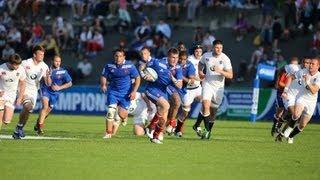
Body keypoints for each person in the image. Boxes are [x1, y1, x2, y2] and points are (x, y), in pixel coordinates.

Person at [195, 40, 233, 139]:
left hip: (218, 88)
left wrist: (220, 71)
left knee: (213, 112)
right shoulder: (206, 56)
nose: (219, 49)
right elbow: (200, 64)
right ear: (213, 47)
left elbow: (230, 75)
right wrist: (200, 72)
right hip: (207, 84)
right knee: (205, 104)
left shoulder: (225, 59)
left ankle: (204, 129)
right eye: (217, 47)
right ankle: (207, 131)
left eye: (220, 48)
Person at [145, 48, 182, 144]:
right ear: (168, 57)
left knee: (164, 119)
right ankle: (151, 127)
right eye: (173, 57)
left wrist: (172, 78)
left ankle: (155, 137)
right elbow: (143, 66)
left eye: (177, 58)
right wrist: (144, 75)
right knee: (166, 106)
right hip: (152, 89)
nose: (175, 60)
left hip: (163, 92)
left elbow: (180, 85)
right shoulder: (158, 63)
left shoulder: (178, 68)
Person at [100, 48, 140, 139]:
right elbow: (103, 76)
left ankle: (123, 118)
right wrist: (103, 85)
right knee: (111, 111)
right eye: (116, 56)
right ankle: (108, 132)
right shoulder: (109, 65)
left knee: (122, 114)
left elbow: (137, 78)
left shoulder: (130, 66)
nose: (118, 58)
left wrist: (134, 91)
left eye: (120, 56)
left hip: (126, 94)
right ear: (114, 56)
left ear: (124, 57)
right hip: (113, 92)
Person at [12, 45, 49, 139]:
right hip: (23, 88)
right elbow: (15, 72)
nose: (42, 56)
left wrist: (48, 76)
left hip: (34, 91)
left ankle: (18, 129)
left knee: (29, 110)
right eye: (40, 54)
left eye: (43, 54)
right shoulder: (25, 63)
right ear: (34, 55)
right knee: (28, 106)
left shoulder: (44, 66)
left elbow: (48, 83)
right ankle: (19, 128)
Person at [281, 57, 320, 144]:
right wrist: (285, 90)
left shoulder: (319, 77)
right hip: (302, 97)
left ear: (318, 66)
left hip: (311, 101)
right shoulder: (303, 71)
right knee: (296, 114)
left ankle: (291, 136)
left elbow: (314, 91)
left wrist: (307, 81)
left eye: (313, 64)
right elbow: (290, 77)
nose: (310, 65)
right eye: (310, 63)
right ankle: (289, 129)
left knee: (302, 125)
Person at [34, 55, 72, 135]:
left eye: (59, 61)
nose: (58, 63)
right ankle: (40, 128)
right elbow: (48, 83)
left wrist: (59, 87)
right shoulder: (46, 69)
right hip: (45, 90)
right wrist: (48, 75)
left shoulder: (63, 72)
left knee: (48, 110)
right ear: (52, 61)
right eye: (56, 61)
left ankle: (38, 122)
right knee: (45, 106)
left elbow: (70, 83)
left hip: (55, 93)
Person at [173, 50, 200, 137]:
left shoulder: (190, 65)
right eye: (180, 59)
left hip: (195, 89)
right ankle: (176, 129)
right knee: (185, 112)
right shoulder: (173, 65)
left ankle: (198, 125)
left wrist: (181, 76)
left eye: (184, 59)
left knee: (207, 102)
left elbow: (191, 81)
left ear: (187, 59)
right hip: (185, 91)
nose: (182, 61)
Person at [271, 57, 299, 137]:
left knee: (289, 112)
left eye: (295, 65)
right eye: (292, 64)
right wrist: (288, 86)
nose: (293, 67)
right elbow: (280, 84)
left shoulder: (299, 73)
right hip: (281, 93)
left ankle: (279, 127)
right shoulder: (286, 73)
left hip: (290, 95)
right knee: (279, 111)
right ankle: (275, 126)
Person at [0, 54, 26, 132]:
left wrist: (20, 97)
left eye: (18, 64)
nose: (17, 67)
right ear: (11, 63)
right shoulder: (1, 68)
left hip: (11, 96)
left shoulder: (21, 69)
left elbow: (23, 83)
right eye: (16, 65)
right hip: (1, 94)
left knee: (6, 120)